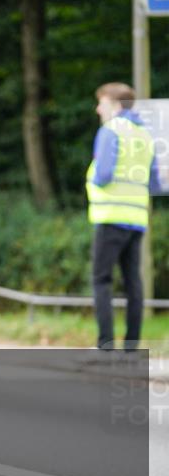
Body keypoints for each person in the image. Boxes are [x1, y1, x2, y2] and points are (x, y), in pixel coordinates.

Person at [87, 83, 161, 351]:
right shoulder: (145, 136)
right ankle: (131, 348)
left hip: (110, 216)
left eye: (102, 103)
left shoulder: (111, 131)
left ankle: (105, 346)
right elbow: (153, 184)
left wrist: (93, 178)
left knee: (101, 280)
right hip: (137, 219)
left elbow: (103, 174)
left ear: (116, 106)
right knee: (134, 284)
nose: (98, 109)